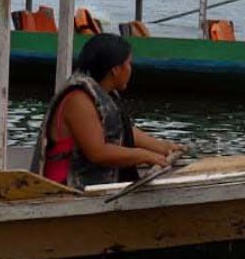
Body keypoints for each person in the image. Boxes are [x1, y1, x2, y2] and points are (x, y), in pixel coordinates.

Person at [33, 33, 186, 189]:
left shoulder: (104, 93)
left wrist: (162, 147)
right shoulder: (78, 100)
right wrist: (144, 155)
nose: (131, 69)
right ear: (116, 70)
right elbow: (98, 153)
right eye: (129, 64)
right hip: (64, 188)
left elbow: (123, 131)